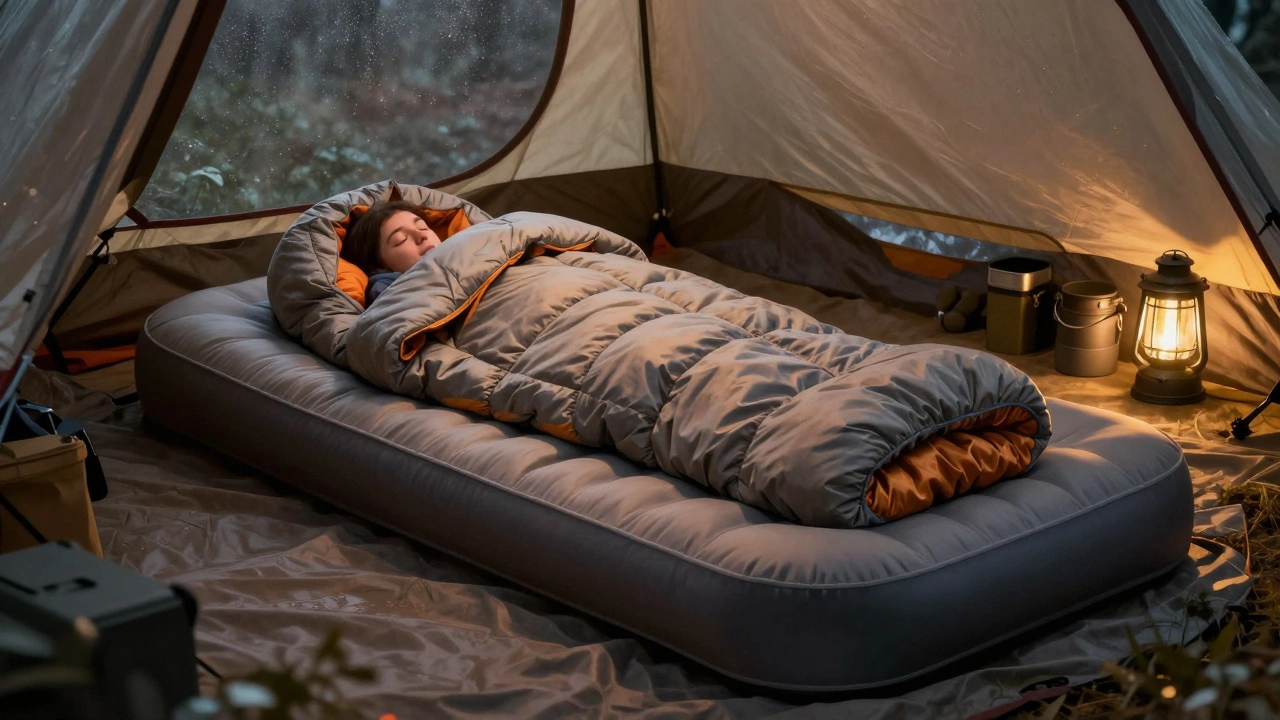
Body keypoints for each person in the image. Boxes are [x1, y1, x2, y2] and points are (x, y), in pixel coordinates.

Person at [343, 201, 443, 304]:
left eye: (423, 227)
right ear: (381, 267)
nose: (421, 235)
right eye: (401, 239)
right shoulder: (388, 295)